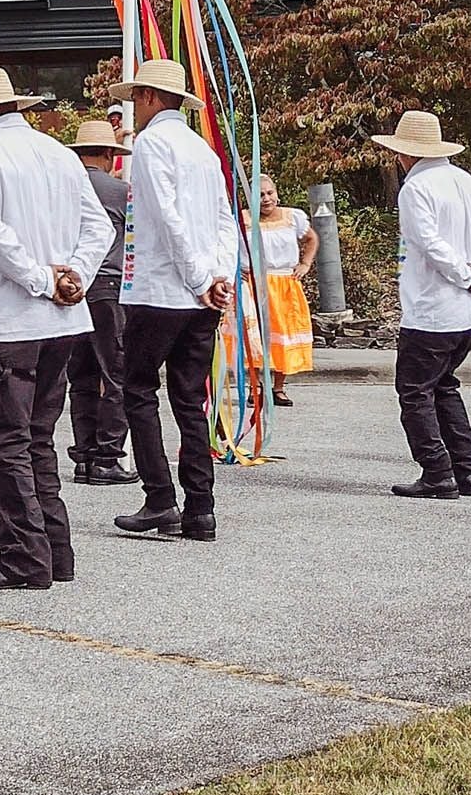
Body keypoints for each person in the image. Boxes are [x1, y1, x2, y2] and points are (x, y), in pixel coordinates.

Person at [0, 72, 113, 592]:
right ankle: (53, 548)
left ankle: (24, 554)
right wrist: (74, 275)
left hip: (13, 318)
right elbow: (100, 226)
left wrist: (43, 279)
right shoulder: (59, 152)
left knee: (3, 438)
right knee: (36, 435)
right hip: (62, 318)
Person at [113, 59, 237, 542]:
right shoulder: (202, 149)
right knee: (190, 398)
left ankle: (159, 496)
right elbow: (224, 219)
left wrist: (196, 275)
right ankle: (200, 506)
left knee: (139, 389)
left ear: (147, 97)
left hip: (160, 287)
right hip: (201, 291)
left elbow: (165, 217)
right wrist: (217, 276)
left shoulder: (152, 143)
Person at [372, 110, 471, 500]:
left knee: (415, 391)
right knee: (444, 386)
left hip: (433, 308)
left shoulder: (416, 189)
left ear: (406, 154)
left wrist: (467, 273)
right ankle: (468, 471)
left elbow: (430, 245)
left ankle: (436, 469)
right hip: (470, 310)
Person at [66, 120, 134, 484]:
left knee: (81, 375)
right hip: (109, 283)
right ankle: (107, 455)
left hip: (73, 286)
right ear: (109, 155)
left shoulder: (63, 187)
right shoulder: (121, 191)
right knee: (115, 372)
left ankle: (84, 453)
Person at [243, 175, 318, 406]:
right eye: (260, 195)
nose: (266, 199)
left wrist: (305, 263)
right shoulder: (243, 219)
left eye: (269, 193)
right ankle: (255, 387)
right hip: (255, 283)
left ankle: (278, 387)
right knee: (255, 337)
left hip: (285, 283)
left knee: (283, 334)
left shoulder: (291, 216)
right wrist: (237, 270)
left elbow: (311, 238)